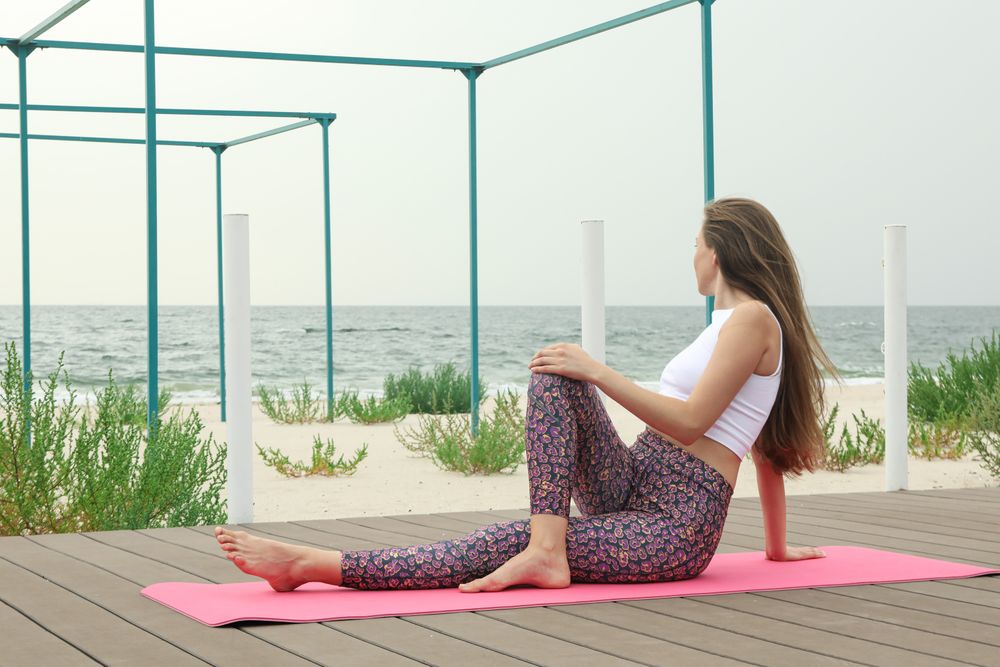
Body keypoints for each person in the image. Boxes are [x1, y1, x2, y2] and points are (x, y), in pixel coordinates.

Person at [215, 196, 840, 594]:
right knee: (551, 370)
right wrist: (777, 550)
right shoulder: (729, 324)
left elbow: (692, 422)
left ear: (721, 250)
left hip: (674, 523)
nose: (692, 255)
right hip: (633, 481)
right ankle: (548, 545)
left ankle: (312, 565)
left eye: (696, 245)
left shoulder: (755, 320)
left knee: (500, 541)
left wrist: (599, 371)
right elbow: (767, 443)